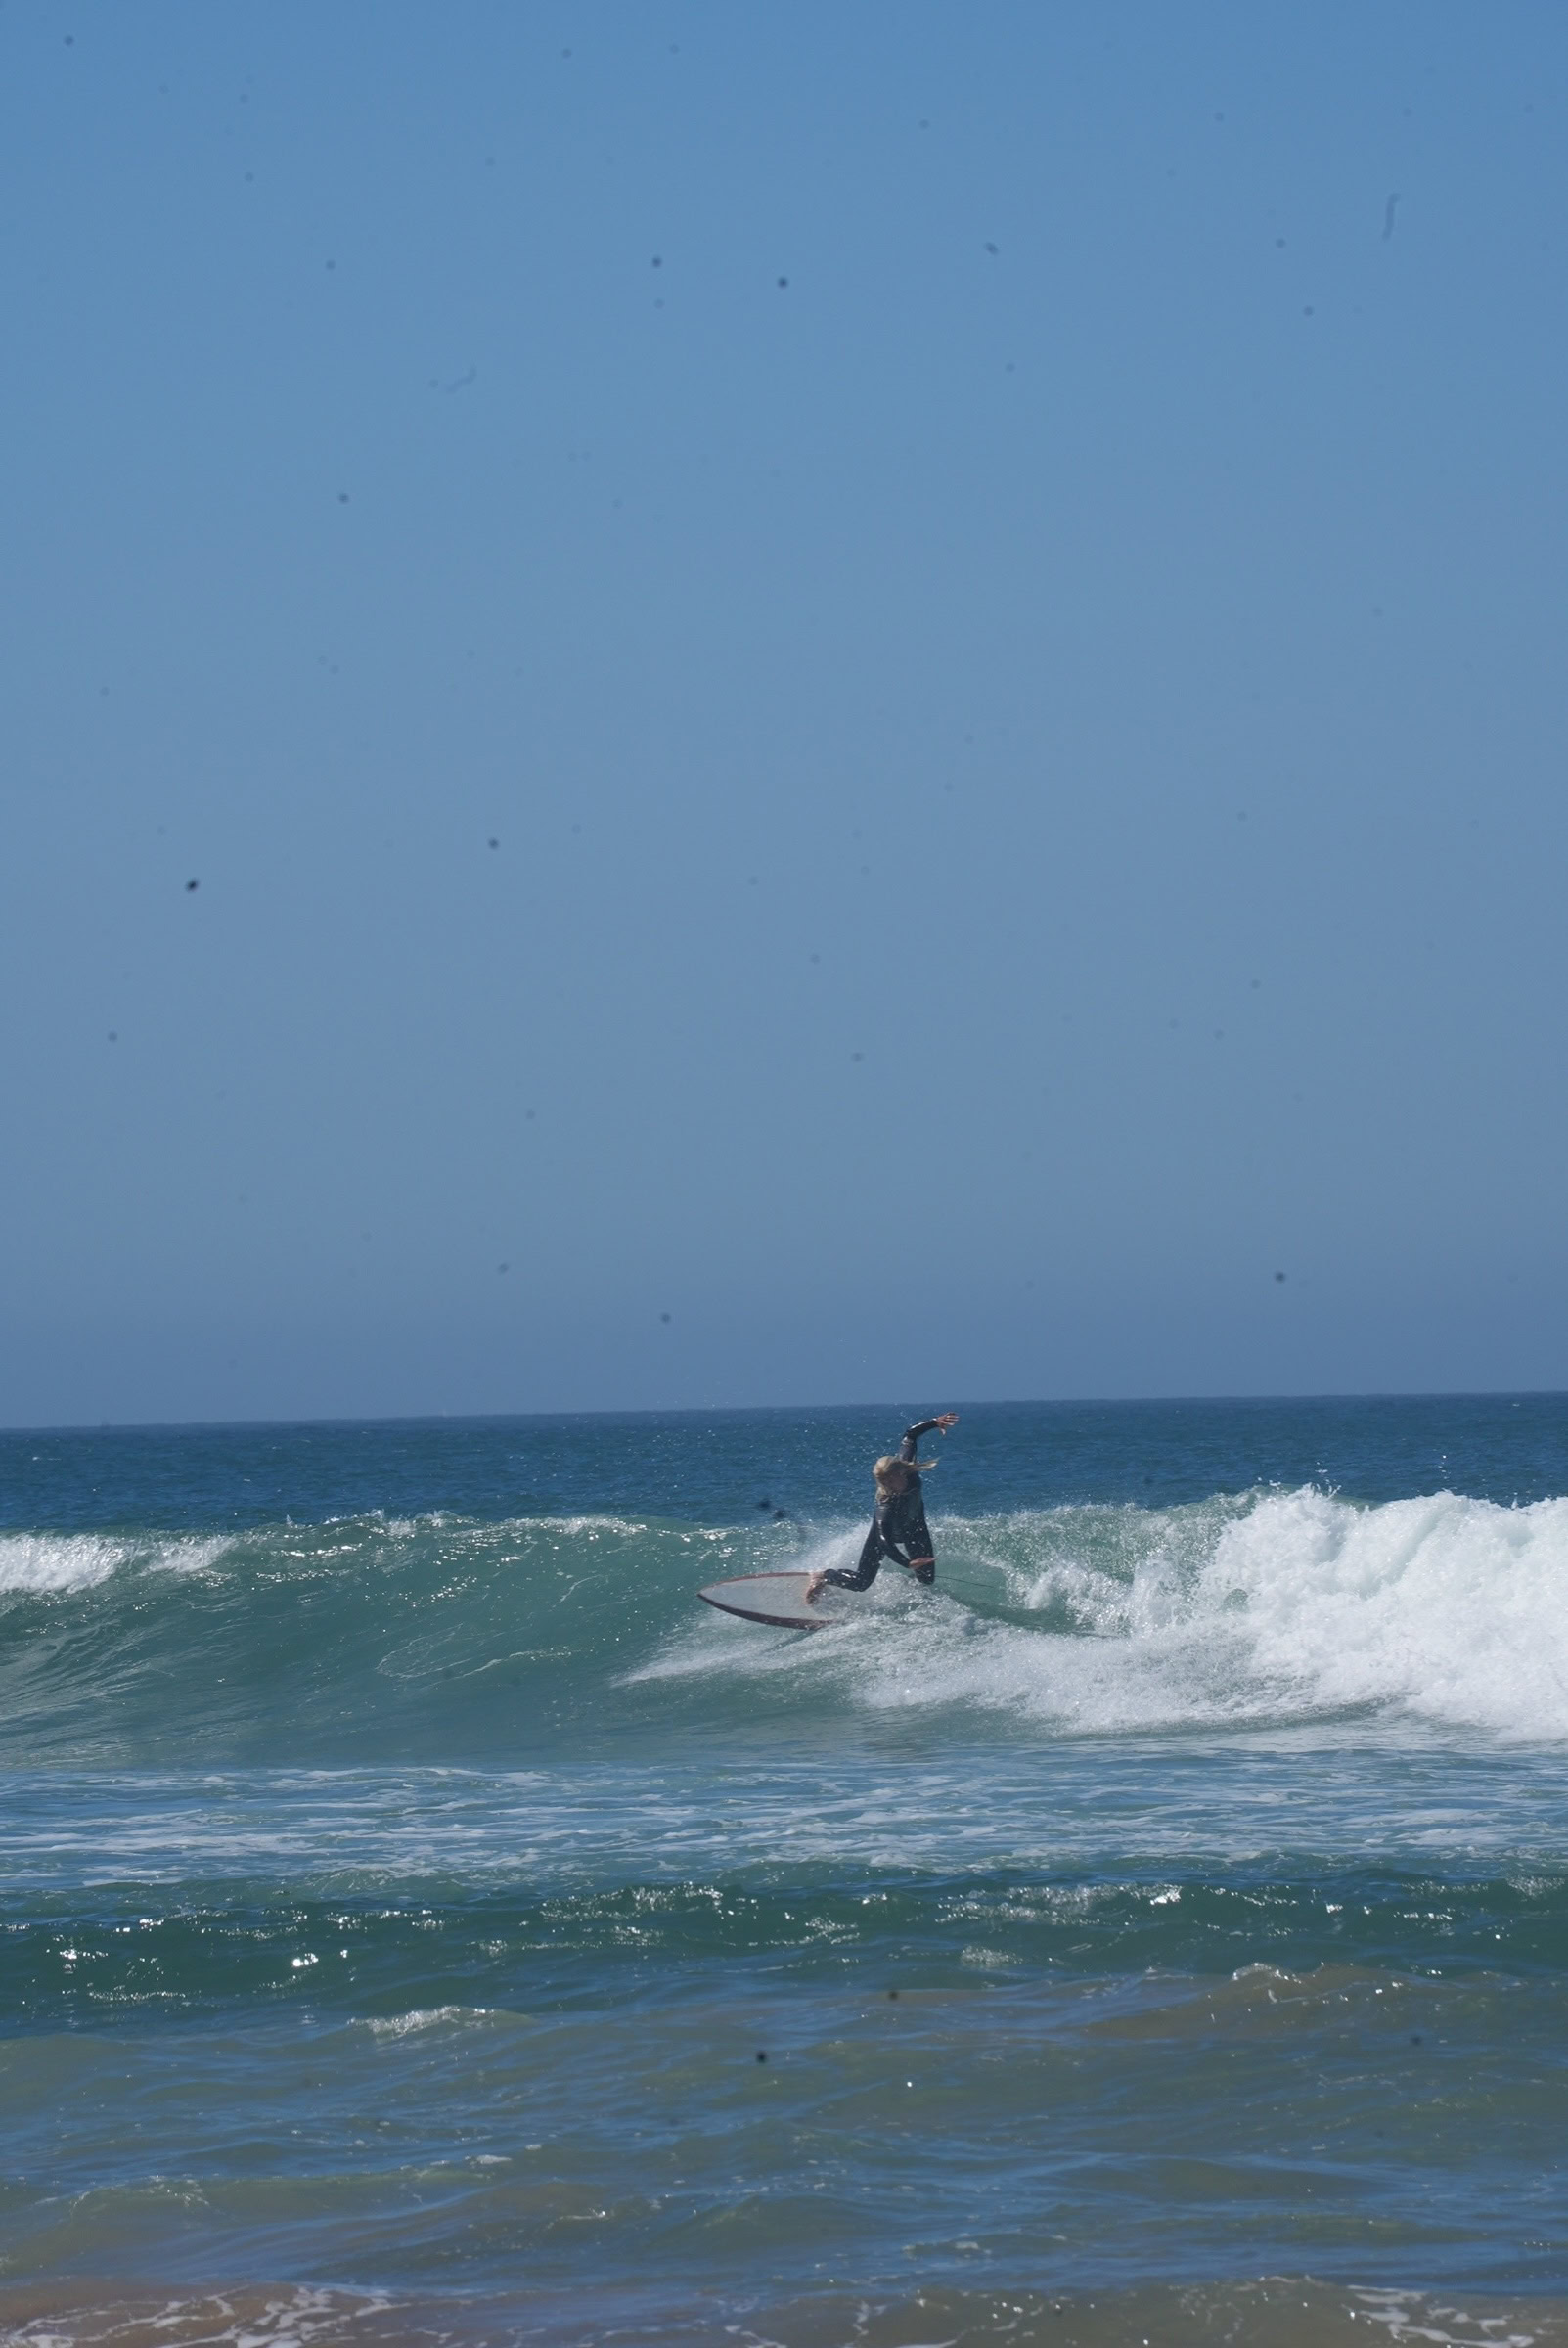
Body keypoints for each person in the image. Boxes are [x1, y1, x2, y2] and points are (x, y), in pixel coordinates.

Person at [807, 1414, 960, 1602]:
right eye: (882, 1481)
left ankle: (911, 1595)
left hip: (915, 1528)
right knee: (861, 1583)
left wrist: (934, 1423)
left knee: (927, 1579)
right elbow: (884, 1540)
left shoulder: (907, 1467)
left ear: (900, 1472)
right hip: (885, 1535)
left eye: (889, 1479)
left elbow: (910, 1436)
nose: (886, 1485)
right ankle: (824, 1576)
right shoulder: (885, 1504)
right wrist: (907, 1562)